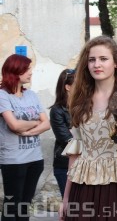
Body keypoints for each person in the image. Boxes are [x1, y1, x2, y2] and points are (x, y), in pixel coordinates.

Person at [59, 36, 117, 220]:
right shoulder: (79, 100)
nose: (96, 64)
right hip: (83, 187)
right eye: (92, 59)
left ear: (116, 63)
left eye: (103, 59)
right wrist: (66, 198)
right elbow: (76, 153)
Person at [0, 54, 50, 220]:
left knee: (25, 206)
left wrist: (28, 130)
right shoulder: (3, 96)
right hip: (13, 161)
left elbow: (46, 123)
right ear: (16, 71)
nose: (30, 73)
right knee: (12, 206)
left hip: (35, 159)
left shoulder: (31, 95)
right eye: (27, 69)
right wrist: (36, 123)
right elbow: (13, 125)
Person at [49, 69, 75, 197]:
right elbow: (67, 139)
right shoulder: (57, 111)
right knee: (70, 205)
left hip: (85, 164)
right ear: (68, 87)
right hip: (65, 164)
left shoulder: (85, 107)